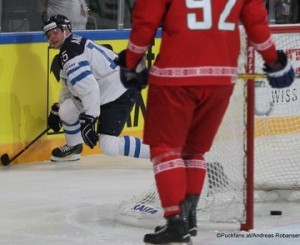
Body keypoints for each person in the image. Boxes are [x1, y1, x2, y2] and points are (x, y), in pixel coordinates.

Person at [121, 0, 295, 244]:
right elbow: (256, 23)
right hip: (221, 78)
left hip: (175, 76)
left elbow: (145, 21)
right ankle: (189, 220)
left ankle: (175, 223)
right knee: (194, 150)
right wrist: (274, 61)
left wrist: (131, 61)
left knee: (165, 150)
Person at [43, 14, 150, 162]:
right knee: (66, 110)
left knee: (108, 145)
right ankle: (74, 147)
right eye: (49, 35)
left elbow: (90, 89)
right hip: (106, 88)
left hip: (120, 89)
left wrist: (89, 119)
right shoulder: (68, 49)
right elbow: (69, 86)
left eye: (55, 32)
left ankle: (161, 153)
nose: (52, 37)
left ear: (66, 30)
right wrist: (59, 108)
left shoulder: (70, 52)